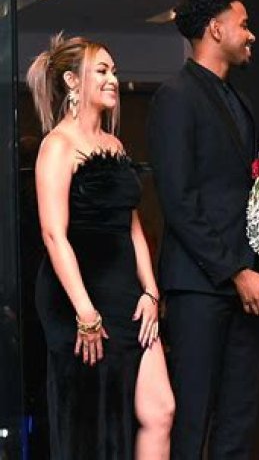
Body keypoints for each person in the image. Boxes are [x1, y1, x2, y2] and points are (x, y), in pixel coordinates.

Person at [146, 0, 259, 458]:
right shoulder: (175, 96)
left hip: (248, 284)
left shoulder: (238, 99)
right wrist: (234, 271)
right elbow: (178, 200)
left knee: (239, 417)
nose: (252, 35)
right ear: (215, 29)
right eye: (243, 24)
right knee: (193, 415)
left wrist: (258, 266)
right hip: (200, 285)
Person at [28, 34, 174, 459]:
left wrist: (150, 291)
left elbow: (132, 226)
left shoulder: (114, 145)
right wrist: (85, 312)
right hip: (79, 296)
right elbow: (53, 234)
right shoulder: (57, 145)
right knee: (95, 424)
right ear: (72, 81)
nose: (114, 79)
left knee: (160, 411)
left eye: (114, 71)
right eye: (103, 71)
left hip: (127, 292)